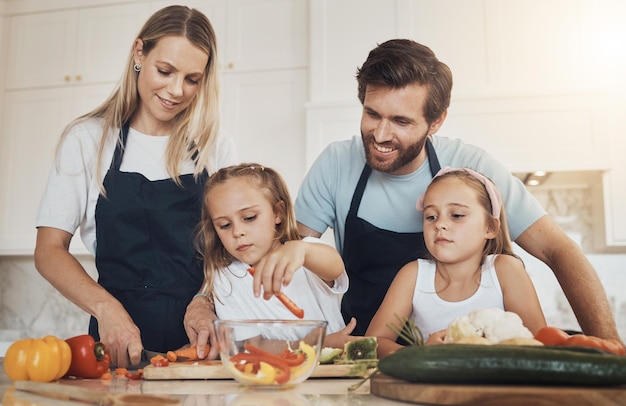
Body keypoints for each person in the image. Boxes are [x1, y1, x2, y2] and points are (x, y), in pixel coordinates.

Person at [294, 38, 621, 342]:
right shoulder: (336, 163)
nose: (380, 134)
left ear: (436, 122)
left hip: (458, 361)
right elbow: (290, 261)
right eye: (371, 113)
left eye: (401, 121)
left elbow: (558, 250)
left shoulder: (472, 167)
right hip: (364, 355)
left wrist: (612, 352)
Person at [34, 5, 235, 367]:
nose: (176, 90)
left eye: (192, 79)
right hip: (113, 346)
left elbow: (232, 246)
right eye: (165, 70)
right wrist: (106, 308)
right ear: (139, 53)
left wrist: (205, 299)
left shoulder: (212, 145)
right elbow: (49, 250)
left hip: (197, 347)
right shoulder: (88, 140)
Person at [366, 167, 547, 357]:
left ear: (490, 227)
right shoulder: (413, 274)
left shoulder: (505, 270)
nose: (439, 224)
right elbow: (374, 342)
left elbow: (541, 344)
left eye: (457, 215)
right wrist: (421, 354)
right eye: (431, 217)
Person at [194, 163, 357, 348]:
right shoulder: (225, 280)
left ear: (278, 212)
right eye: (224, 225)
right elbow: (255, 345)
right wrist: (319, 343)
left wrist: (302, 251)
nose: (237, 231)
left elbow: (335, 268)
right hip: (270, 374)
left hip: (335, 371)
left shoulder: (304, 255)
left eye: (249, 218)